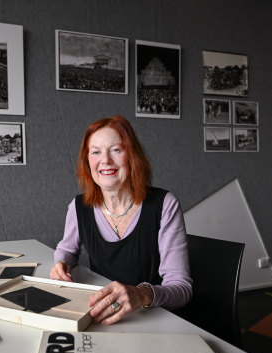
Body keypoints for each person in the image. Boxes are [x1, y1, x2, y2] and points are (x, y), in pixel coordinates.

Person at [50, 115, 192, 325]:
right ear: (87, 162)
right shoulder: (78, 207)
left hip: (155, 319)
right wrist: (61, 263)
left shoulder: (165, 204)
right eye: (95, 152)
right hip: (104, 316)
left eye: (116, 150)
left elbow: (182, 289)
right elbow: (67, 249)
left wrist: (142, 294)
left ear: (132, 156)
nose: (105, 160)